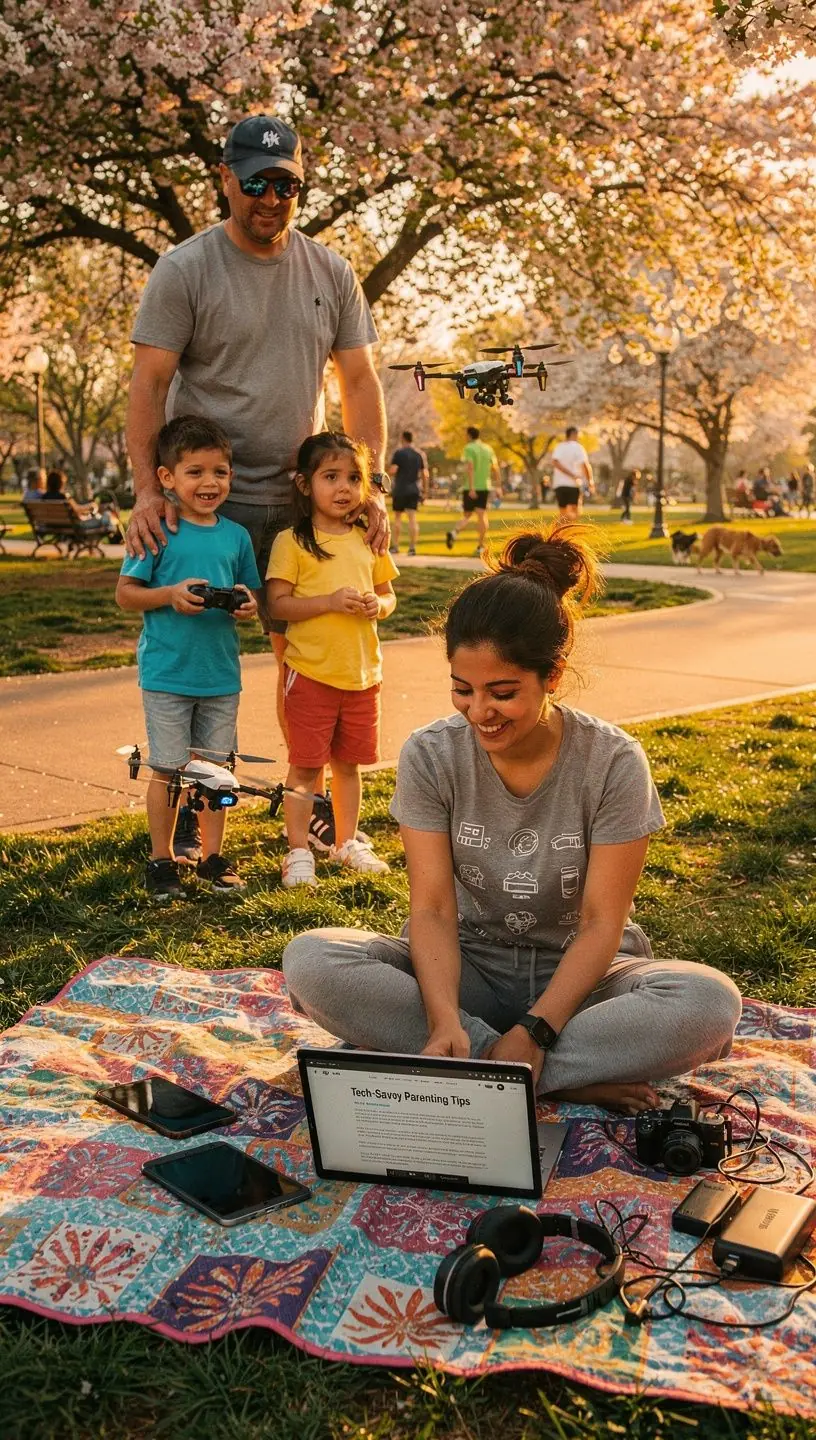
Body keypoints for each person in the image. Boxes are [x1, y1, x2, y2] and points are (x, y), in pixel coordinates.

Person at [282, 523, 742, 1111]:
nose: (480, 712)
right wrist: (446, 1016)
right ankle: (546, 1073)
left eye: (502, 692)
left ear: (551, 675)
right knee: (313, 959)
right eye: (462, 690)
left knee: (707, 1003)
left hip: (583, 980)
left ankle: (493, 1063)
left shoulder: (613, 761)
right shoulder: (431, 754)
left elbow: (603, 923)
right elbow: (431, 907)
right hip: (467, 965)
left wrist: (541, 1029)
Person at [125, 113, 390, 860]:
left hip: (299, 504)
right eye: (257, 184)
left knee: (303, 660)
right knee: (194, 652)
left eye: (289, 186)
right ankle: (183, 800)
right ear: (225, 180)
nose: (271, 199)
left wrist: (367, 488)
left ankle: (304, 814)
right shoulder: (185, 269)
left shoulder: (330, 271)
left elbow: (360, 379)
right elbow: (149, 382)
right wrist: (151, 491)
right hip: (208, 501)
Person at [116, 415, 260, 898]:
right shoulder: (159, 529)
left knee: (217, 772)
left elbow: (252, 597)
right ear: (167, 478)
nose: (209, 482)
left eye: (219, 472)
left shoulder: (236, 536)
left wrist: (245, 604)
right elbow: (126, 594)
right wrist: (170, 594)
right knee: (169, 768)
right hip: (168, 672)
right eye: (195, 471)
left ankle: (213, 858)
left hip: (221, 674)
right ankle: (162, 860)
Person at [266, 432, 397, 889]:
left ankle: (345, 843)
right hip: (312, 673)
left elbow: (388, 596)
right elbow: (278, 605)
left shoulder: (367, 538)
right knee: (306, 766)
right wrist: (328, 601)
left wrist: (375, 607)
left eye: (354, 478)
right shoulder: (293, 541)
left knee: (349, 765)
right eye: (331, 477)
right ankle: (298, 850)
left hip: (362, 674)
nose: (344, 488)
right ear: (305, 485)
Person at [445, 426, 500, 555]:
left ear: (469, 435)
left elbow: (470, 467)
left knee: (467, 515)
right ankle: (480, 546)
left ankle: (454, 532)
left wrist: (471, 488)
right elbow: (495, 468)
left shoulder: (469, 448)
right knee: (481, 515)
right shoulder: (488, 448)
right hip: (484, 486)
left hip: (471, 487)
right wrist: (498, 486)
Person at [44, 469, 122, 539]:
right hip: (75, 526)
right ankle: (113, 534)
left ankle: (108, 534)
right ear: (61, 483)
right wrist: (92, 505)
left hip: (52, 525)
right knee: (107, 516)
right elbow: (77, 509)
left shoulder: (44, 497)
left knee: (102, 518)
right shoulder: (64, 497)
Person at [388, 430, 428, 555]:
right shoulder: (419, 454)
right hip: (414, 489)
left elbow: (393, 470)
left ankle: (395, 546)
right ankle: (412, 548)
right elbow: (425, 474)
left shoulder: (399, 453)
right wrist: (425, 491)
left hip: (400, 489)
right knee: (412, 519)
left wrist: (386, 473)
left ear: (402, 438)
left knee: (397, 518)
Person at [550, 427, 593, 520]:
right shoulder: (578, 447)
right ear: (573, 434)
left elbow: (554, 462)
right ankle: (571, 532)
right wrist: (590, 481)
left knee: (563, 512)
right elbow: (585, 465)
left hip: (559, 484)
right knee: (574, 512)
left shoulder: (559, 447)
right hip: (574, 484)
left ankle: (561, 532)